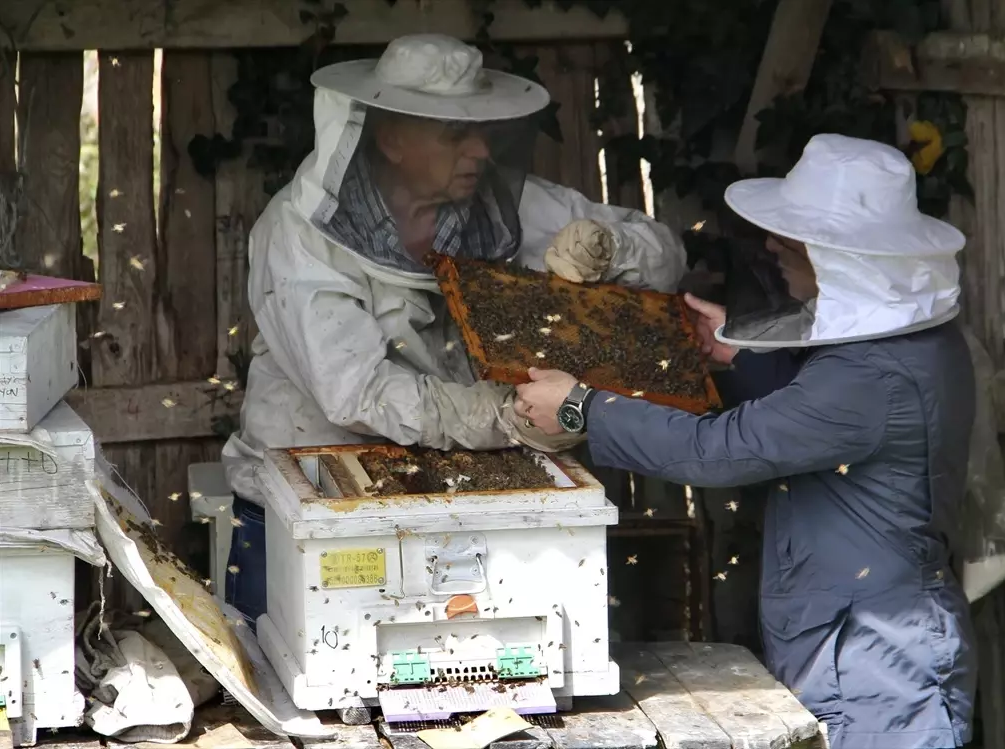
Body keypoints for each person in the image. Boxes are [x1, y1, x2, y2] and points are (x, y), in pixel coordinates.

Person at [514, 134, 978, 748]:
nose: (770, 244)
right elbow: (815, 404)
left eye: (791, 236)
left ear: (839, 255)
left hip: (877, 665)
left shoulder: (869, 377)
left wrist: (582, 407)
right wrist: (737, 353)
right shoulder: (914, 343)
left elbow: (722, 450)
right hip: (869, 644)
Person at [219, 34, 687, 628]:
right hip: (315, 509)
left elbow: (669, 256)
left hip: (472, 502)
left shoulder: (511, 206)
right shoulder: (300, 235)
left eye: (484, 131)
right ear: (391, 139)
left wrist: (611, 248)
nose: (480, 151)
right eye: (455, 134)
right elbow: (355, 392)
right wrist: (499, 418)